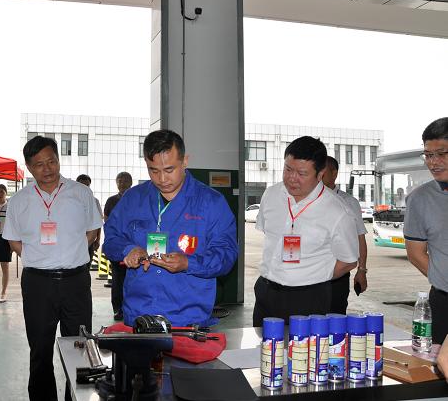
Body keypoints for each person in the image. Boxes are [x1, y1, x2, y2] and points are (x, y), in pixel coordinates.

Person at [103, 129, 237, 327]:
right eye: (153, 170)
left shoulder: (211, 203)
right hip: (139, 315)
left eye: (169, 170)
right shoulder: (133, 199)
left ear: (185, 161)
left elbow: (226, 255)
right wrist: (128, 249)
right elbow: (111, 239)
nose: (162, 179)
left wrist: (188, 263)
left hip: (187, 320)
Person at [3, 136, 102, 401]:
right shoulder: (19, 200)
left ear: (58, 159)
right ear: (29, 167)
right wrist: (39, 257)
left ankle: (77, 398)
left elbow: (92, 230)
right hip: (38, 284)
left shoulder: (80, 193)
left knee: (80, 347)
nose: (47, 169)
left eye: (52, 161)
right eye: (39, 164)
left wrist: (70, 252)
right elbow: (13, 240)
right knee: (40, 350)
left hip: (75, 281)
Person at [252, 136, 358, 327]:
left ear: (320, 174)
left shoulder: (338, 211)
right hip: (266, 292)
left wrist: (313, 276)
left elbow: (348, 261)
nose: (292, 178)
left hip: (309, 298)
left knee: (304, 347)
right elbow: (270, 236)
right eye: (288, 169)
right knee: (264, 345)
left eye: (302, 173)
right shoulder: (271, 195)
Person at [404, 117, 448, 344]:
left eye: (441, 154)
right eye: (428, 155)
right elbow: (416, 254)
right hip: (443, 303)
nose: (433, 162)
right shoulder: (419, 199)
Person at [321, 156, 368, 314]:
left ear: (334, 174)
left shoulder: (348, 202)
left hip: (338, 273)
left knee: (335, 317)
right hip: (311, 272)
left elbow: (360, 237)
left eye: (323, 171)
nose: (318, 175)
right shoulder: (307, 200)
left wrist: (361, 270)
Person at [103, 171, 133, 321]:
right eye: (120, 181)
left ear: (131, 183)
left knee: (133, 280)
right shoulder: (111, 201)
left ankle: (131, 308)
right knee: (117, 279)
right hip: (117, 247)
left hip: (134, 246)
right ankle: (118, 308)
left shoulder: (136, 199)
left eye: (125, 180)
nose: (122, 183)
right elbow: (106, 221)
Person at [75, 174, 103, 261]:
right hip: (73, 240)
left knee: (87, 264)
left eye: (87, 185)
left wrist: (98, 240)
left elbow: (98, 222)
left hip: (89, 240)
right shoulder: (69, 200)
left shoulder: (94, 201)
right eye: (82, 185)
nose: (85, 187)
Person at [0, 184, 12, 302]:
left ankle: (4, 292)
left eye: (2, 192)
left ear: (6, 193)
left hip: (5, 238)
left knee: (5, 267)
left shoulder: (9, 207)